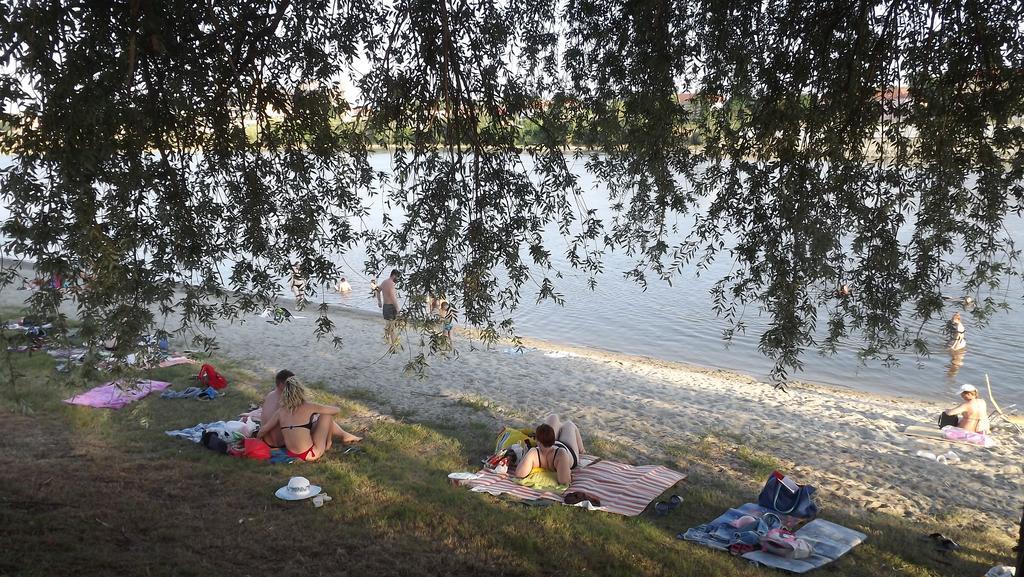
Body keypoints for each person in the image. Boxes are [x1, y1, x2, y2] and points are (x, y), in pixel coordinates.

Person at [257, 375, 361, 461]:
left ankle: (335, 439)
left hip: (291, 452)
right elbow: (336, 410)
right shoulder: (308, 406)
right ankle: (328, 443)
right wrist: (318, 407)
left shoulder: (280, 411)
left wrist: (258, 440)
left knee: (313, 422)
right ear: (301, 391)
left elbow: (263, 430)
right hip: (310, 454)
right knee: (326, 415)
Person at [513, 414, 585, 485]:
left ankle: (559, 428)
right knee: (569, 424)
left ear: (537, 440)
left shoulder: (533, 452)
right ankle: (582, 451)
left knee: (554, 417)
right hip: (566, 448)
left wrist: (526, 455)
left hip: (555, 446)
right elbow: (564, 481)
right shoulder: (561, 454)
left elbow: (519, 474)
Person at [376, 269, 401, 344]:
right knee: (392, 327)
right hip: (391, 307)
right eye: (397, 277)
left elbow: (377, 290)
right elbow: (392, 296)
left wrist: (379, 301)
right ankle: (393, 344)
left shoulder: (384, 282)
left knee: (387, 325)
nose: (398, 279)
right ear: (394, 275)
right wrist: (397, 308)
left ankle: (387, 341)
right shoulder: (391, 284)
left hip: (385, 306)